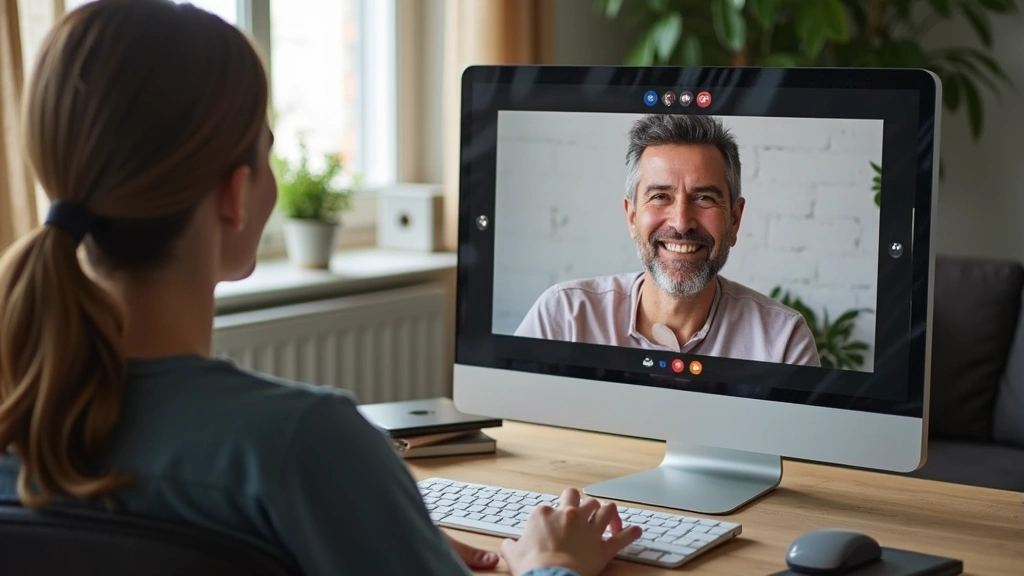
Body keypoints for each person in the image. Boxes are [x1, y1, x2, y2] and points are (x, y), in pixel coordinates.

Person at [0, 2, 641, 575]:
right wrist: (553, 564)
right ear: (234, 194)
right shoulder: (305, 443)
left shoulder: (21, 417)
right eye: (267, 152)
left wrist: (384, 536)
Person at [515, 114, 820, 366]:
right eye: (660, 196)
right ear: (632, 217)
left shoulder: (783, 342)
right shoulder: (564, 318)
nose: (681, 222)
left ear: (735, 220)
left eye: (703, 198)